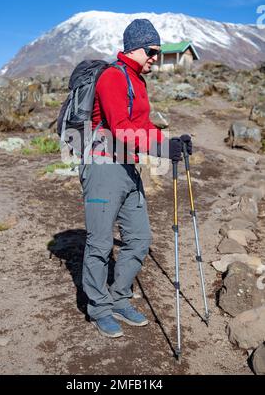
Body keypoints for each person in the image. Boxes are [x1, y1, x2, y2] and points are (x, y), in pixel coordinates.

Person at [79, 19, 192, 338]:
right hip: (103, 167)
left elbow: (139, 125)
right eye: (152, 50)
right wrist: (160, 146)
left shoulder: (137, 80)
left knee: (140, 238)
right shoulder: (113, 77)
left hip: (129, 168)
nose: (156, 56)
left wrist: (172, 139)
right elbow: (120, 128)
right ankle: (99, 307)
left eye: (158, 50)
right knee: (100, 243)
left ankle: (119, 297)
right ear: (134, 47)